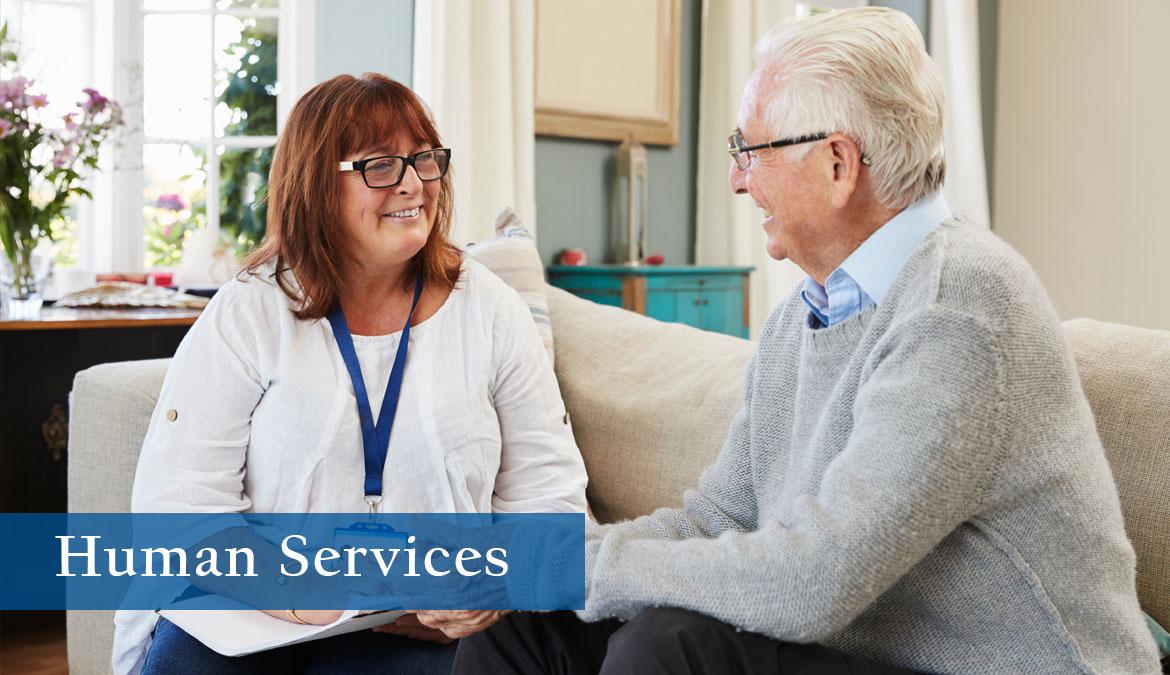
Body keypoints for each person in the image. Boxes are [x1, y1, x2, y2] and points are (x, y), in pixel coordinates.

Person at [453, 7, 1162, 674]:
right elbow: (720, 516)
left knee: (667, 647)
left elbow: (814, 580)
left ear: (837, 164)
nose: (736, 179)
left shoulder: (963, 307)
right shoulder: (807, 313)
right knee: (524, 624)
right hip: (871, 652)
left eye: (748, 150)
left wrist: (585, 567)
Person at [111, 72, 588, 675]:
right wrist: (315, 601)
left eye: (423, 159)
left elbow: (550, 501)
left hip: (423, 636)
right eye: (381, 165)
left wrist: (492, 588)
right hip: (251, 613)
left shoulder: (490, 310)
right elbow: (179, 508)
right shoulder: (250, 310)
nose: (414, 183)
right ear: (316, 185)